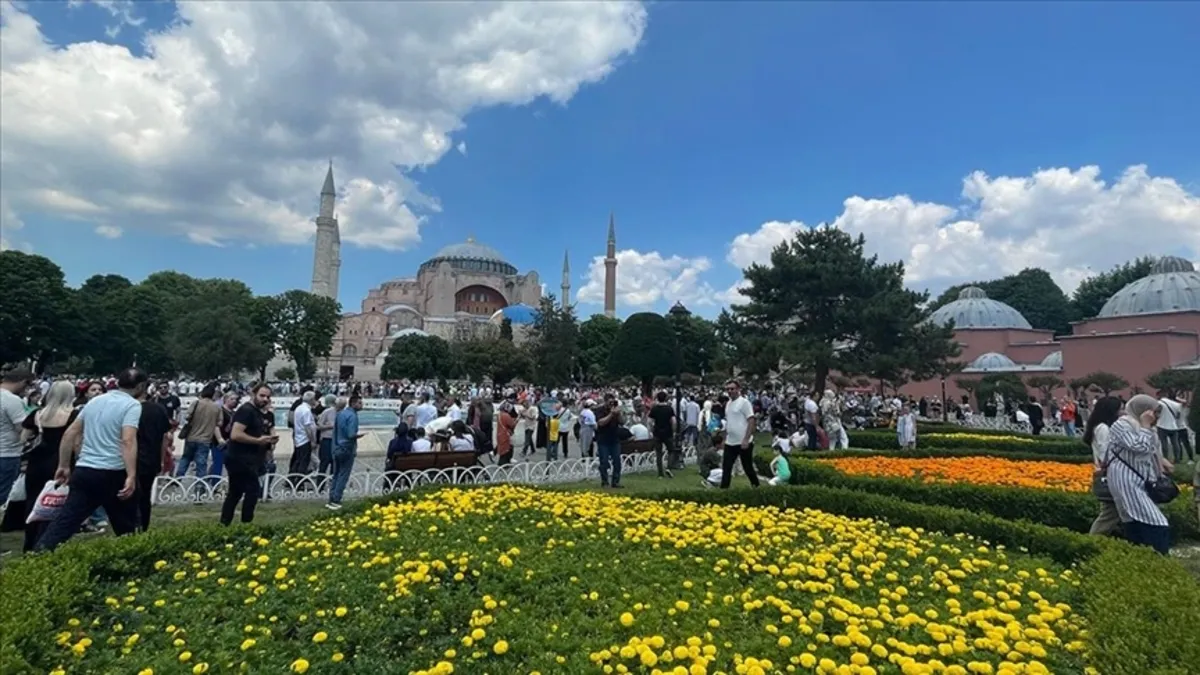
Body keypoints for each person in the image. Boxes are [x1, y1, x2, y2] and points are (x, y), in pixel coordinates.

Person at [35, 368, 149, 551]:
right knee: (128, 526)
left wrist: (63, 465)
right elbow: (127, 440)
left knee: (66, 521)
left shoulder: (95, 401)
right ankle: (136, 559)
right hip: (114, 470)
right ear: (141, 386)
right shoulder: (132, 406)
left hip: (85, 470)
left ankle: (40, 553)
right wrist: (131, 475)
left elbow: (70, 433)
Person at [1105, 394, 1175, 554]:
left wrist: (1162, 467)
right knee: (1157, 522)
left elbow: (1152, 451)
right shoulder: (1122, 425)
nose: (1156, 417)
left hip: (1140, 480)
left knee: (1134, 520)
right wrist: (1145, 425)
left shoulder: (1147, 428)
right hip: (1126, 480)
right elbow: (1139, 447)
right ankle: (1159, 559)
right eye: (1154, 413)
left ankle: (1140, 554)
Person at [17, 380, 73, 551]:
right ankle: (47, 540)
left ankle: (30, 540)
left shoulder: (37, 415)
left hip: (37, 462)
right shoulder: (73, 415)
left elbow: (23, 439)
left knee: (34, 501)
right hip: (60, 462)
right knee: (57, 501)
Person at [220, 384, 278, 526]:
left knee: (235, 492)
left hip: (250, 457)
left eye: (268, 397)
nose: (265, 399)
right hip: (239, 457)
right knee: (253, 490)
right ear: (253, 394)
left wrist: (268, 441)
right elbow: (236, 434)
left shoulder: (259, 413)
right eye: (262, 395)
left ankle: (224, 523)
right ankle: (246, 523)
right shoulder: (246, 411)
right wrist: (258, 441)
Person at [1083, 396, 1123, 536]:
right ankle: (1093, 538)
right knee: (1109, 512)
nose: (1121, 412)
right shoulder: (1103, 428)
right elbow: (1104, 452)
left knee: (1112, 511)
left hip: (1107, 471)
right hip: (1107, 473)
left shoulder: (1099, 426)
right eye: (1119, 409)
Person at [134, 392, 173, 531]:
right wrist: (162, 460)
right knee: (145, 495)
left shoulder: (128, 407)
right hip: (150, 458)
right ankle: (143, 527)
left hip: (129, 458)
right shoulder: (158, 409)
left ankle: (132, 526)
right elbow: (165, 437)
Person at [0, 367, 34, 505]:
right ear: (22, 382)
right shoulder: (12, 400)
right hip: (7, 452)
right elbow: (23, 427)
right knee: (3, 492)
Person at [719, 380, 760, 489]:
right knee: (726, 467)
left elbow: (751, 420)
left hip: (743, 441)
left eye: (732, 389)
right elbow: (729, 422)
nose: (730, 391)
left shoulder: (744, 402)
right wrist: (724, 438)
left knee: (747, 467)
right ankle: (724, 489)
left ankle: (756, 486)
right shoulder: (728, 404)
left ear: (738, 389)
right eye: (728, 389)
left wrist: (746, 439)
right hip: (730, 441)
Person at [327, 395, 364, 510]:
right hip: (347, 448)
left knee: (336, 474)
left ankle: (331, 497)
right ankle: (337, 499)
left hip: (337, 447)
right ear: (353, 403)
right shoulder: (353, 416)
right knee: (343, 474)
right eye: (359, 403)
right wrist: (359, 436)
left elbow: (335, 432)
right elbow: (350, 434)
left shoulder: (340, 414)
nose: (361, 405)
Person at [595, 394, 624, 489]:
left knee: (617, 461)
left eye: (613, 402)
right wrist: (611, 414)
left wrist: (618, 413)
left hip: (614, 439)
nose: (611, 404)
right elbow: (601, 423)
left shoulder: (616, 410)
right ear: (605, 401)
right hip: (603, 439)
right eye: (609, 402)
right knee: (604, 461)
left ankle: (615, 481)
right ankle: (605, 481)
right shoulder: (600, 410)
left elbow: (622, 422)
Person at [647, 392, 677, 478]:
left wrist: (652, 430)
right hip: (668, 433)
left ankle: (660, 473)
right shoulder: (669, 409)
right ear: (666, 398)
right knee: (671, 450)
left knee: (658, 453)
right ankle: (669, 467)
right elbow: (674, 421)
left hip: (657, 433)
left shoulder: (654, 409)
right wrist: (673, 430)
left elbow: (649, 421)